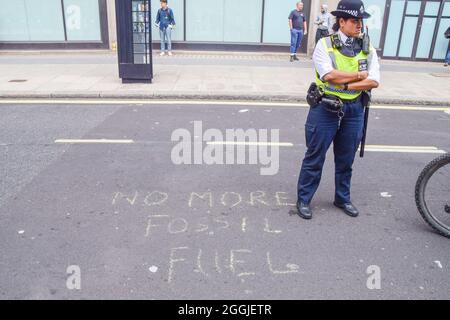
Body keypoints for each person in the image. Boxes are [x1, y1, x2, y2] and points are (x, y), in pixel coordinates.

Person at [296, 0, 380, 220]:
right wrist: (359, 76)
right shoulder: (324, 45)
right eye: (355, 20)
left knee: (346, 159)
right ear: (341, 22)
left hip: (354, 109)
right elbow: (328, 75)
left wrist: (347, 85)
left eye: (361, 21)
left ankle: (342, 198)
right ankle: (304, 199)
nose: (359, 25)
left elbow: (374, 81)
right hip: (326, 107)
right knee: (314, 157)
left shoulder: (367, 48)